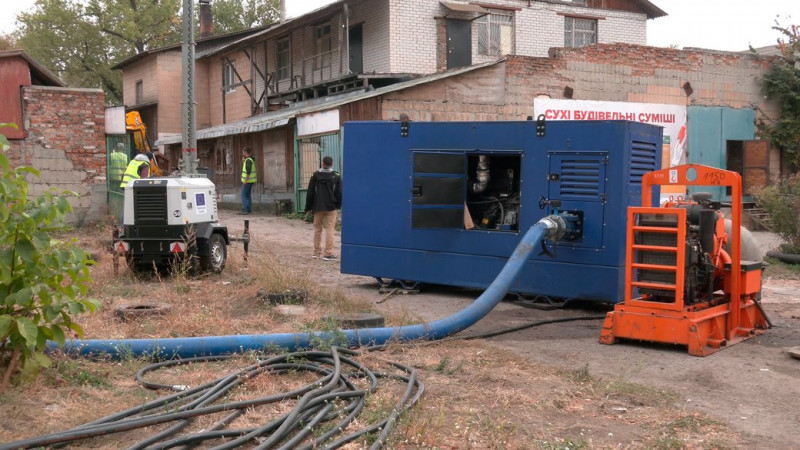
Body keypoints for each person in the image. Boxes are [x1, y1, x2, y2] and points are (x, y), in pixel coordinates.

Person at [304, 156, 342, 261]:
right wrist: (338, 206)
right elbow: (339, 193)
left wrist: (308, 207)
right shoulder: (336, 176)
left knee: (317, 230)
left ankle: (316, 253)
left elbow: (310, 192)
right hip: (331, 207)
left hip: (317, 207)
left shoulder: (315, 175)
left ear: (322, 163)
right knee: (330, 230)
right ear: (331, 164)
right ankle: (328, 254)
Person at [239, 147, 257, 215]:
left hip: (248, 181)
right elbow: (247, 168)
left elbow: (248, 171)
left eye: (243, 152)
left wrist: (245, 180)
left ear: (245, 152)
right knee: (248, 195)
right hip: (251, 181)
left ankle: (245, 210)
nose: (242, 153)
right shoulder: (250, 159)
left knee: (243, 195)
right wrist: (243, 161)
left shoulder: (248, 160)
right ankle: (249, 210)